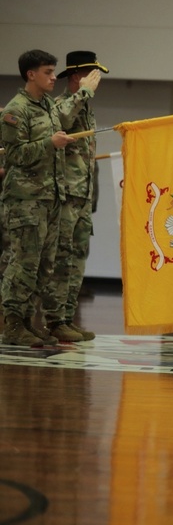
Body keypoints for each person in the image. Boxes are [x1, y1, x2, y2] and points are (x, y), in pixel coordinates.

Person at [1, 50, 101, 346]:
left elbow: (66, 119)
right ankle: (13, 323)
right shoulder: (15, 110)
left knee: (45, 264)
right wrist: (50, 142)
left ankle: (31, 322)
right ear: (31, 74)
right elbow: (15, 155)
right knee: (23, 263)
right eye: (47, 72)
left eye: (54, 71)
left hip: (51, 197)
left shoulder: (47, 105)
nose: (53, 77)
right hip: (26, 199)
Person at [41, 52, 109, 343]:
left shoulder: (86, 108)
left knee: (78, 258)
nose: (95, 81)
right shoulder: (61, 105)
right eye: (90, 75)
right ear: (74, 78)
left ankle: (68, 317)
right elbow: (61, 118)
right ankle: (55, 320)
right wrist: (83, 92)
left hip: (81, 197)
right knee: (62, 258)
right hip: (65, 196)